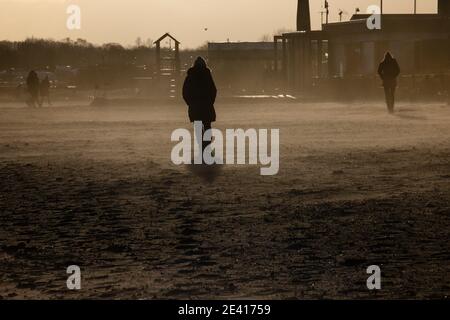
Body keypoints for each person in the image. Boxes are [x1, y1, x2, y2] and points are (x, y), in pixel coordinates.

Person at [182, 57, 217, 152]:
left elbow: (185, 91)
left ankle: (201, 146)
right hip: (206, 105)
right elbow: (213, 90)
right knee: (207, 126)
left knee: (197, 127)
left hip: (195, 106)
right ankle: (207, 145)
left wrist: (190, 103)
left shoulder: (190, 76)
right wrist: (210, 102)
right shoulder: (207, 75)